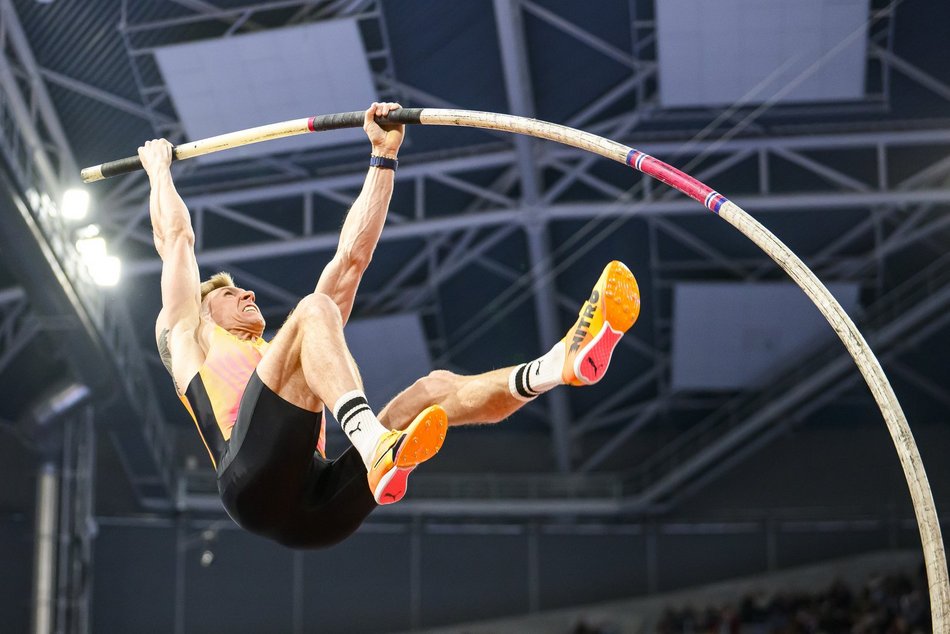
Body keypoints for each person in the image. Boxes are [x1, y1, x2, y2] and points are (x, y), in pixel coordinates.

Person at [141, 102, 641, 549]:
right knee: (314, 309)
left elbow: (351, 259)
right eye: (229, 294)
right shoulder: (190, 338)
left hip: (320, 513)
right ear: (201, 311)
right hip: (250, 484)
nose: (247, 294)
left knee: (431, 390)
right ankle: (374, 443)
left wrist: (383, 157)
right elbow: (176, 238)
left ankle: (557, 365)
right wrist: (159, 170)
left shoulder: (295, 358)